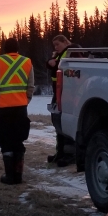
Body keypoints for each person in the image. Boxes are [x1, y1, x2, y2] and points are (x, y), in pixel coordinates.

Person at [0, 38, 34, 185]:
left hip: (4, 107)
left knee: (6, 139)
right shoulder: (27, 61)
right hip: (21, 107)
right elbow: (31, 84)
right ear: (17, 48)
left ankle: (9, 176)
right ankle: (18, 175)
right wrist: (26, 99)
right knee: (18, 139)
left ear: (4, 48)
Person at [45, 35, 79, 167]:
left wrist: (54, 61)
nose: (56, 47)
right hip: (59, 93)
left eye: (58, 44)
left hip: (68, 94)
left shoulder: (73, 52)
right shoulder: (61, 54)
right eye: (54, 45)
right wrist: (51, 61)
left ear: (65, 42)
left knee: (65, 123)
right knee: (57, 122)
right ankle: (61, 152)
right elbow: (51, 64)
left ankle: (70, 154)